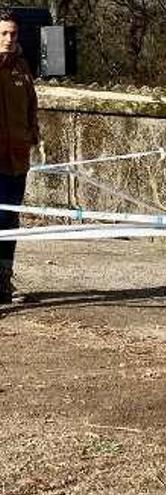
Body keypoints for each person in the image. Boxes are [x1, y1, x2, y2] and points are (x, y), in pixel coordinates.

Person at [0, 9, 39, 304]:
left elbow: (31, 109)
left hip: (17, 158)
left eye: (13, 33)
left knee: (10, 220)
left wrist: (31, 137)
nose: (9, 39)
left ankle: (3, 280)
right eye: (3, 33)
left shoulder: (22, 67)